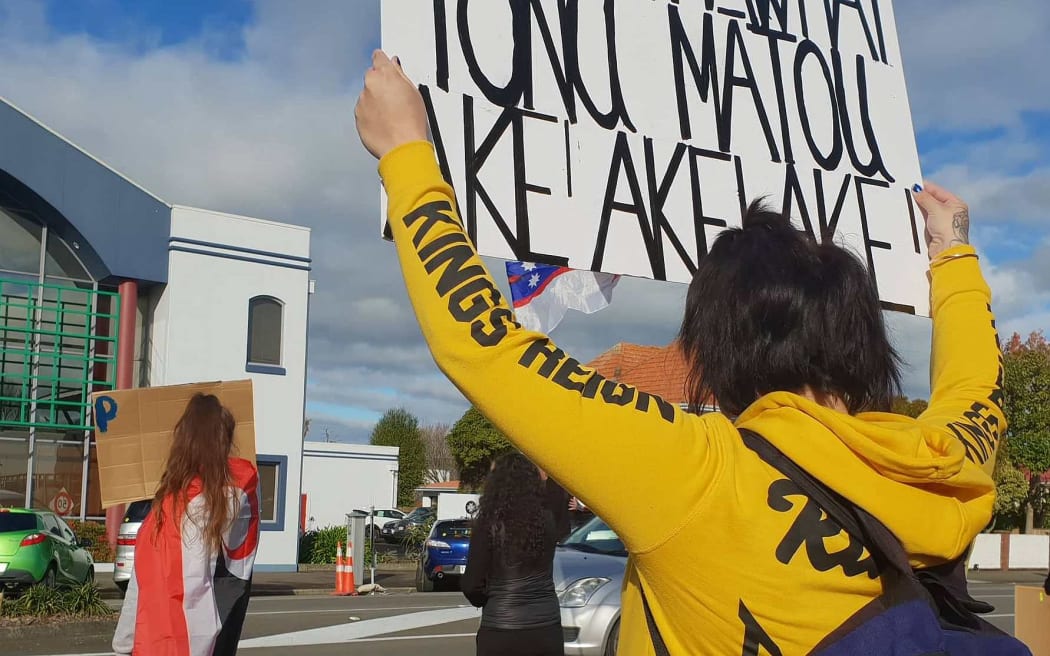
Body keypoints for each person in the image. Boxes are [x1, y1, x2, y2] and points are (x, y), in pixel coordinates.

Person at [355, 51, 1005, 653]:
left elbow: (487, 344)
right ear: (865, 340)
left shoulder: (698, 472)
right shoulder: (940, 462)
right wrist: (954, 254)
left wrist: (408, 154)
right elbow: (974, 391)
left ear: (715, 350)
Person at [113, 394, 260, 656]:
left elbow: (140, 583)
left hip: (158, 643)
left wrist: (123, 644)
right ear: (225, 443)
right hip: (212, 641)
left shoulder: (163, 510)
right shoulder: (239, 496)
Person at [461, 452, 564, 656]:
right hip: (546, 626)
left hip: (501, 626)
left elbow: (472, 585)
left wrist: (488, 598)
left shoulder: (489, 524)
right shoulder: (547, 521)